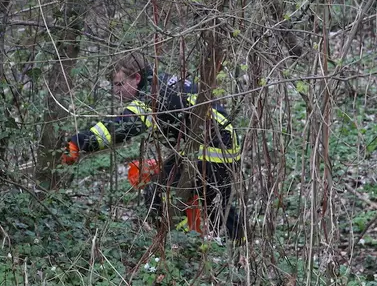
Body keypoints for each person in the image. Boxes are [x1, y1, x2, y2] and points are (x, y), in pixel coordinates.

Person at [61, 52, 244, 243]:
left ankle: (180, 244)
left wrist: (78, 142)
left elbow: (123, 126)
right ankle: (234, 243)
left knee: (163, 196)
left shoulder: (153, 95)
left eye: (119, 84)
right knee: (215, 204)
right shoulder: (160, 83)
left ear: (136, 77)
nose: (116, 91)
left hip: (212, 151)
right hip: (216, 147)